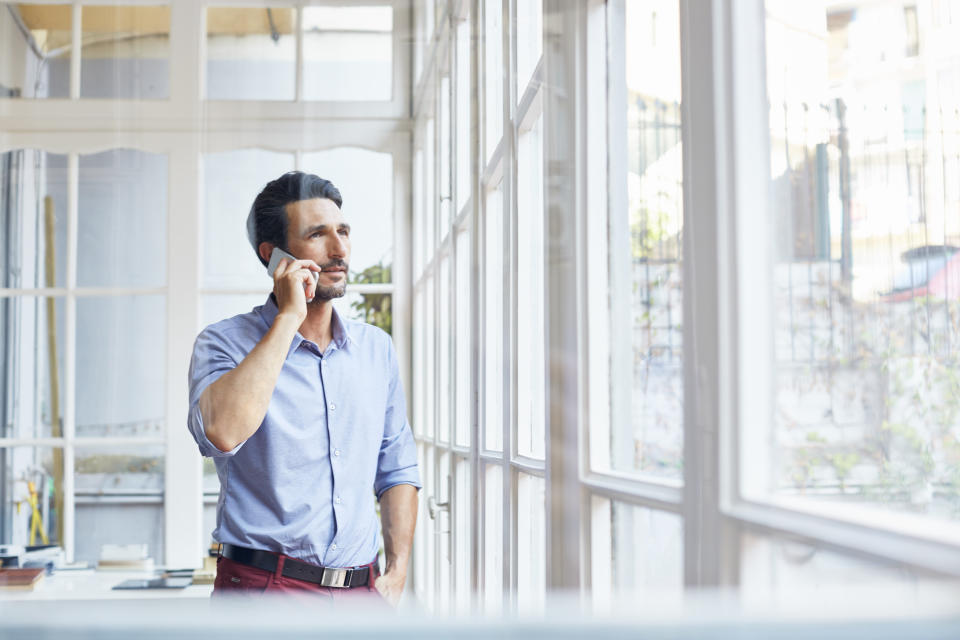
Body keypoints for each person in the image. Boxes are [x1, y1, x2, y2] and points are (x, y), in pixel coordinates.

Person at [187, 171, 420, 605]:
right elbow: (222, 432)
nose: (339, 250)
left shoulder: (376, 349)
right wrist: (288, 318)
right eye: (317, 235)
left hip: (362, 594)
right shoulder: (222, 343)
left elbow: (397, 468)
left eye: (343, 232)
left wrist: (396, 572)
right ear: (273, 256)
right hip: (263, 591)